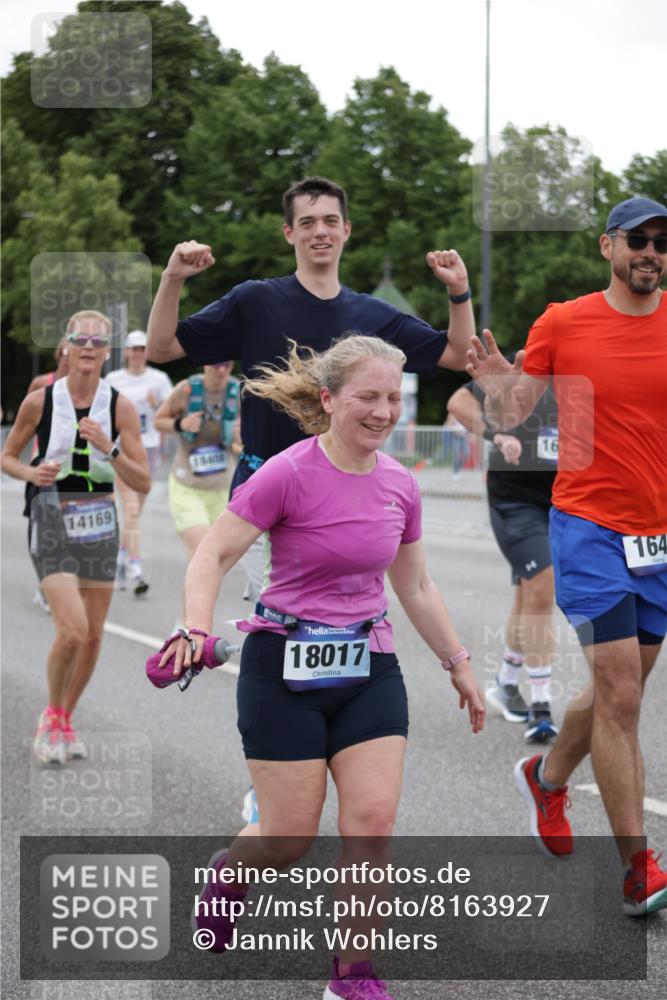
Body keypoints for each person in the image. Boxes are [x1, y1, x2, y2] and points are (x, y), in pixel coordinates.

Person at [155, 335, 485, 999]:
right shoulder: (287, 472)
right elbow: (211, 555)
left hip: (368, 666)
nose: (384, 411)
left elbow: (415, 585)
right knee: (287, 836)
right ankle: (230, 872)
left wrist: (457, 663)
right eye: (368, 396)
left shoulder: (399, 485)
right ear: (329, 399)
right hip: (283, 671)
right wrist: (194, 627)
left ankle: (350, 976)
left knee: (371, 822)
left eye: (392, 397)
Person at [466, 196, 667, 917]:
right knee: (618, 692)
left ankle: (545, 779)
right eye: (638, 240)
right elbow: (514, 410)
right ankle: (636, 867)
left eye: (662, 242)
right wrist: (494, 379)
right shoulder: (563, 320)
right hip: (585, 526)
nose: (651, 252)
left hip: (658, 539)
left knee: (624, 691)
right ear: (607, 247)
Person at [146, 174, 475, 604]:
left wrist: (458, 292)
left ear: (346, 229)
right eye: (307, 222)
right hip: (265, 486)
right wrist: (172, 278)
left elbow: (454, 353)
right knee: (280, 621)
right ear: (289, 233)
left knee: (338, 615)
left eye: (330, 221)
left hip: (345, 489)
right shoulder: (255, 302)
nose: (320, 231)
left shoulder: (373, 315)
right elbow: (161, 346)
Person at [0, 310, 150, 765]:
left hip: (100, 520)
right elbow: (7, 456)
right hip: (50, 515)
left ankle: (65, 718)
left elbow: (141, 480)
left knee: (94, 637)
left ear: (108, 351)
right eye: (78, 338)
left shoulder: (119, 405)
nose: (87, 346)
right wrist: (31, 470)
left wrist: (110, 447)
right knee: (72, 630)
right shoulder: (40, 402)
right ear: (65, 347)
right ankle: (50, 714)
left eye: (97, 340)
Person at [447, 363, 559, 742]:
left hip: (563, 504)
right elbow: (458, 400)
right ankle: (542, 707)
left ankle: (507, 683)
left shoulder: (590, 373)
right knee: (543, 585)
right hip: (514, 502)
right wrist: (496, 436)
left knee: (529, 593)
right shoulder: (521, 367)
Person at [153, 362, 241, 615]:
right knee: (203, 553)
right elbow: (160, 421)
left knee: (207, 563)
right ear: (205, 363)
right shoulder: (187, 389)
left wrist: (240, 438)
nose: (221, 369)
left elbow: (240, 446)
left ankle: (187, 626)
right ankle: (190, 626)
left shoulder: (238, 392)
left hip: (223, 489)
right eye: (216, 363)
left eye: (227, 364)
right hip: (186, 485)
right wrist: (181, 424)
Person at [105, 330, 173, 595]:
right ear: (126, 352)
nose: (137, 354)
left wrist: (157, 407)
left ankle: (122, 556)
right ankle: (136, 568)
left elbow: (169, 415)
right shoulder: (113, 379)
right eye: (133, 349)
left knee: (134, 513)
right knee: (131, 511)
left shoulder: (159, 379)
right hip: (122, 450)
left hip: (150, 450)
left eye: (142, 349)